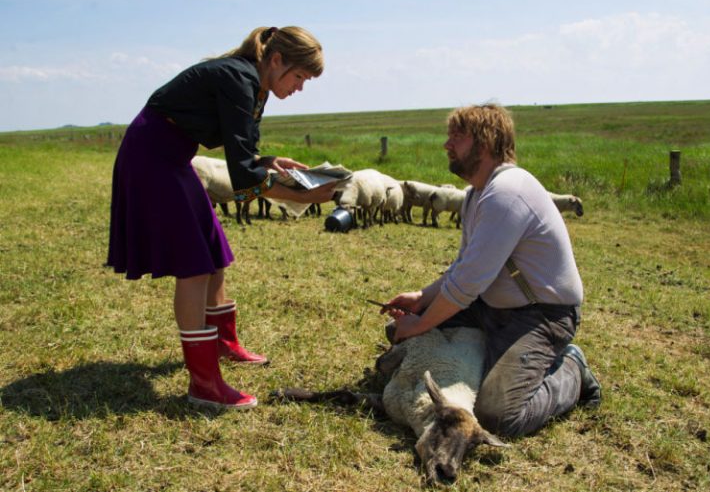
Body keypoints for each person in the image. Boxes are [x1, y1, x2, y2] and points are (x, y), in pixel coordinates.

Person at [106, 26, 336, 410]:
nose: (299, 87)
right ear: (276, 60)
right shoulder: (239, 79)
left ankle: (223, 344)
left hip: (174, 156)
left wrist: (269, 162)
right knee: (194, 265)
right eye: (299, 76)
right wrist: (303, 197)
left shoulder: (255, 85)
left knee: (214, 250)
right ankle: (204, 383)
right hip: (153, 157)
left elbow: (243, 154)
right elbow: (243, 176)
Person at [383, 103, 601, 437]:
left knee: (500, 415)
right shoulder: (477, 194)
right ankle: (490, 357)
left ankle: (572, 368)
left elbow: (466, 285)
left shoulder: (507, 193)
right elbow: (464, 268)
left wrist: (422, 323)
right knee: (397, 328)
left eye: (457, 137)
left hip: (540, 315)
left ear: (484, 143)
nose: (446, 144)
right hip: (491, 306)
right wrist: (421, 298)